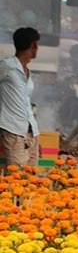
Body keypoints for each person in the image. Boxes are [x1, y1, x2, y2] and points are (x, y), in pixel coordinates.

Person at [0, 27, 40, 167]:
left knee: (32, 180)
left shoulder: (28, 71)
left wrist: (35, 135)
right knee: (17, 180)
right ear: (34, 45)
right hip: (13, 131)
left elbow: (26, 101)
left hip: (31, 132)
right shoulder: (6, 66)